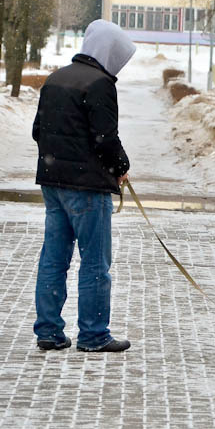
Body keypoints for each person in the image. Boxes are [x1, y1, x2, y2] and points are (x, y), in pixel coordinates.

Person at [32, 19, 136, 352]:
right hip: (87, 188)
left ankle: (48, 331)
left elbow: (38, 131)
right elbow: (106, 139)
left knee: (53, 258)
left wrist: (59, 159)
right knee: (94, 263)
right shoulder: (100, 84)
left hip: (52, 183)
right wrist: (121, 166)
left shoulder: (55, 78)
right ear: (108, 52)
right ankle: (93, 334)